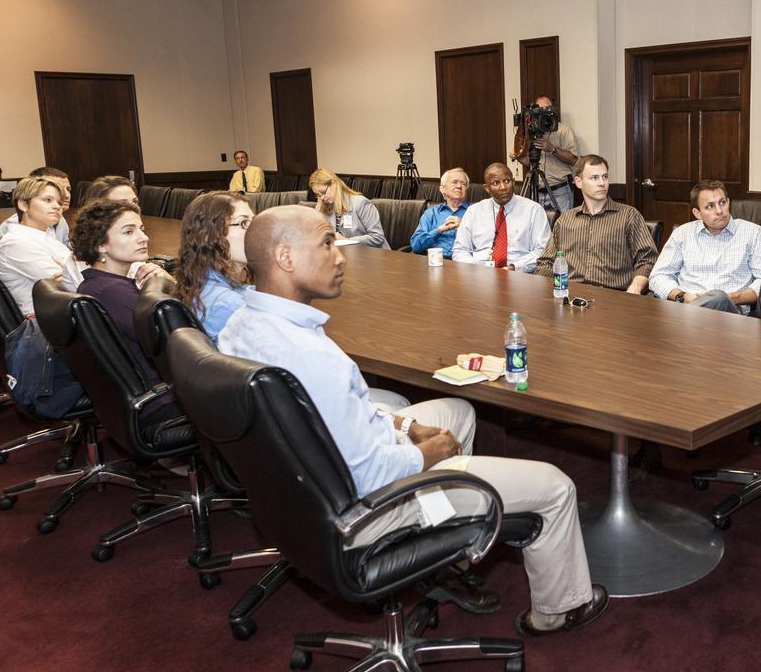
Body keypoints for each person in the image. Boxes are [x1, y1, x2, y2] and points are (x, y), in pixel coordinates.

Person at [217, 205, 608, 636]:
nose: (341, 255)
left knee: (457, 411)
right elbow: (368, 471)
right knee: (555, 486)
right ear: (285, 258)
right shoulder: (310, 357)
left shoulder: (241, 324)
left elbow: (337, 416)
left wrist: (404, 427)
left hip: (298, 495)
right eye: (327, 243)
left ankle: (449, 556)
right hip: (368, 508)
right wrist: (428, 452)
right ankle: (559, 609)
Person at [70, 201, 174, 389]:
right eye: (129, 232)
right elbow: (175, 339)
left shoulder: (96, 283)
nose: (144, 238)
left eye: (142, 229)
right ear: (101, 244)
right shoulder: (113, 292)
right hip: (164, 392)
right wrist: (170, 286)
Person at [533, 155, 657, 293]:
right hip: (571, 295)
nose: (602, 183)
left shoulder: (628, 216)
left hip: (614, 297)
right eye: (594, 178)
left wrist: (635, 287)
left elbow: (647, 260)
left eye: (605, 177)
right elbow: (545, 263)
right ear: (579, 182)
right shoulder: (565, 220)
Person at [648, 180, 761, 314]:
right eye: (710, 206)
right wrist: (682, 296)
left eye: (722, 202)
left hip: (731, 314)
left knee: (719, 297)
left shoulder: (752, 233)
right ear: (697, 213)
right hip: (687, 309)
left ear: (729, 202)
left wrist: (732, 298)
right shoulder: (682, 234)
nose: (719, 211)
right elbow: (658, 276)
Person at [0, 176, 82, 315]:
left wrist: (71, 272)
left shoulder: (46, 235)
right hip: (41, 324)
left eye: (58, 202)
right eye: (47, 200)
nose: (57, 206)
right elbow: (73, 287)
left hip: (62, 314)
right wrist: (73, 272)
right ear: (23, 205)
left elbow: (75, 276)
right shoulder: (17, 243)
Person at [174, 192, 254, 344]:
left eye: (254, 222)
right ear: (208, 235)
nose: (255, 231)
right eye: (244, 223)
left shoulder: (201, 282)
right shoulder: (227, 305)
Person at [452, 163, 550, 272]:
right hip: (480, 275)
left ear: (513, 182)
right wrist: (476, 268)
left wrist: (514, 267)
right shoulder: (474, 211)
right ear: (486, 188)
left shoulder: (533, 210)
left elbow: (543, 251)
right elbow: (459, 251)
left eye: (507, 181)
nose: (503, 187)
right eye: (496, 183)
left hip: (519, 274)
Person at [510, 94, 578, 213]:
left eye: (548, 108)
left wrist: (553, 149)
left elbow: (573, 160)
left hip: (559, 191)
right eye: (540, 109)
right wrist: (518, 157)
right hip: (537, 191)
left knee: (561, 228)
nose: (545, 112)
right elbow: (532, 163)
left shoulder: (563, 130)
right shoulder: (531, 132)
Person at [310, 168, 387, 249]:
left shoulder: (361, 203)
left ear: (334, 184)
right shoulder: (326, 205)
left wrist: (347, 240)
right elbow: (314, 235)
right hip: (347, 255)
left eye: (323, 192)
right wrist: (318, 207)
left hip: (374, 255)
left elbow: (378, 237)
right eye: (318, 195)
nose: (322, 197)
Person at [0, 166, 71, 246]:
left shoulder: (58, 218)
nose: (67, 195)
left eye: (68, 189)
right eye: (57, 189)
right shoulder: (18, 225)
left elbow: (64, 247)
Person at [409, 168, 471, 258]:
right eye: (454, 182)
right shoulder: (431, 213)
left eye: (463, 183)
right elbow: (416, 245)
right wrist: (440, 230)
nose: (459, 186)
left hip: (465, 264)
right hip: (436, 262)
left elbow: (485, 244)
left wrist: (462, 227)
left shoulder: (475, 211)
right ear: (442, 189)